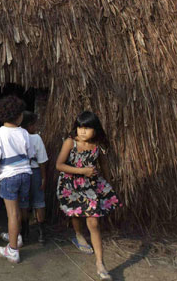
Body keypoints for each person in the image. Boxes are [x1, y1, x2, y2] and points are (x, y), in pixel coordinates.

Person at [56, 111, 121, 281]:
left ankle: (100, 263)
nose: (82, 131)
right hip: (70, 185)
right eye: (80, 127)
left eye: (87, 128)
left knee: (93, 221)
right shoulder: (70, 142)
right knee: (76, 214)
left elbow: (104, 165)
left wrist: (108, 183)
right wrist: (82, 171)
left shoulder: (98, 145)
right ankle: (78, 235)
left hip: (90, 186)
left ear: (95, 129)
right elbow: (59, 165)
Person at [0, 95, 34, 264]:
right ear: (19, 115)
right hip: (25, 175)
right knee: (21, 210)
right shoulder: (24, 133)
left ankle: (13, 250)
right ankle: (18, 237)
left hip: (9, 176)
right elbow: (28, 155)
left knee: (12, 214)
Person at [20, 111, 48, 244]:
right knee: (39, 202)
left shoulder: (17, 136)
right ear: (30, 125)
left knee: (23, 203)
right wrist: (43, 178)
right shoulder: (36, 138)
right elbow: (42, 160)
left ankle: (24, 232)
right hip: (35, 172)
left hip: (21, 172)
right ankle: (41, 234)